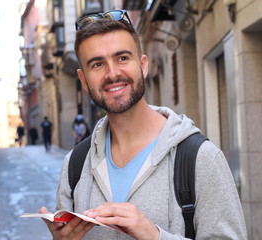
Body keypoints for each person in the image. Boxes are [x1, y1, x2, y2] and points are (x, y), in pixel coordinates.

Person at [39, 10, 247, 239]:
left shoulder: (201, 159)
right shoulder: (75, 166)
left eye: (122, 58)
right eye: (97, 64)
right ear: (84, 81)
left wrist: (155, 235)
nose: (112, 73)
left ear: (143, 65)